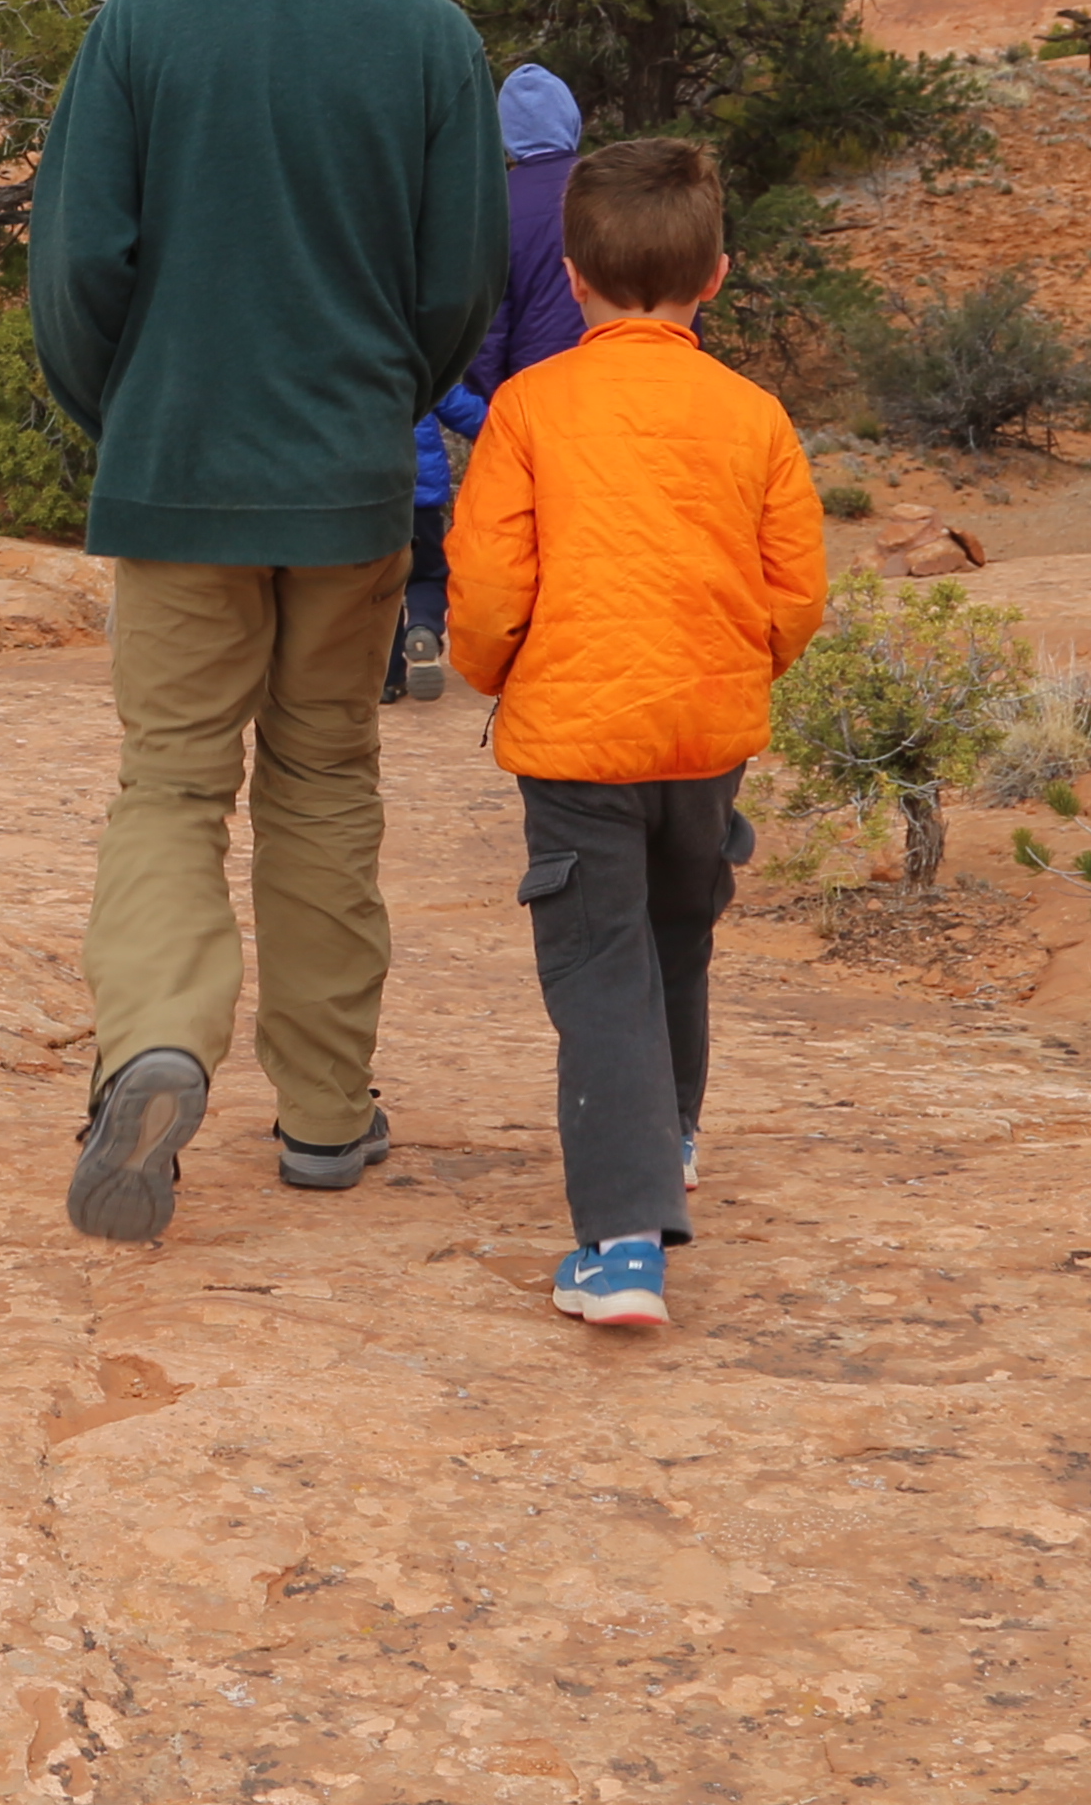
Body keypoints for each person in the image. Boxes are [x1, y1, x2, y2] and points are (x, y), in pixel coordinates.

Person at [27, 0, 505, 1244]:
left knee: (172, 780)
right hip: (351, 494)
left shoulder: (141, 22)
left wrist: (134, 417)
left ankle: (159, 1042)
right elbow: (456, 290)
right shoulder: (432, 42)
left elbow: (76, 268)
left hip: (176, 479)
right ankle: (323, 1116)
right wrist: (378, 408)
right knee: (323, 783)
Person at [445, 133, 828, 1331]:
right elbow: (798, 585)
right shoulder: (752, 415)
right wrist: (737, 661)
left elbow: (492, 588)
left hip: (576, 740)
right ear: (717, 275)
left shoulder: (529, 409)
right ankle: (672, 1132)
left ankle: (622, 1247)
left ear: (570, 275)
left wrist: (493, 671)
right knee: (678, 932)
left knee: (599, 967)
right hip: (707, 733)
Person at [388, 62, 587, 706]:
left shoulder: (493, 206)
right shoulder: (605, 192)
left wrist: (486, 397)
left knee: (524, 530)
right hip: (612, 382)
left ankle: (522, 647)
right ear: (572, 121)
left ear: (504, 137)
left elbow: (487, 316)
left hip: (525, 395)